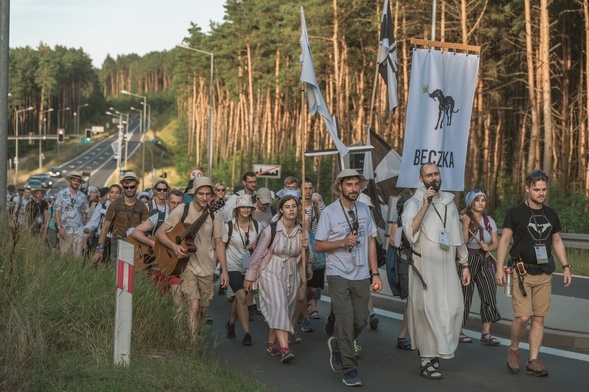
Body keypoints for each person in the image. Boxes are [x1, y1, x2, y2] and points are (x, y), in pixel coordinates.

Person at [496, 170, 572, 377]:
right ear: (528, 188)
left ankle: (533, 360)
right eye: (537, 189)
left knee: (538, 318)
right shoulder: (515, 212)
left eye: (544, 189)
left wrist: (566, 266)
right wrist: (499, 267)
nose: (541, 193)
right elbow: (504, 240)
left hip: (544, 273)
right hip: (521, 273)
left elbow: (556, 241)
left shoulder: (551, 214)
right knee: (522, 317)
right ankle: (513, 349)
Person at [401, 162, 470, 380]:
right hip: (424, 268)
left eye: (437, 174)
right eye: (429, 175)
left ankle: (438, 349)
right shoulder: (413, 203)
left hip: (447, 266)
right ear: (421, 179)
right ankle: (426, 359)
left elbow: (457, 235)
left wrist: (465, 263)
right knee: (426, 312)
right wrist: (425, 206)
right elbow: (410, 233)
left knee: (454, 309)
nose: (434, 178)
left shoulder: (449, 202)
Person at [314, 169, 383, 387]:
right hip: (338, 273)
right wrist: (343, 242)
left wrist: (375, 273)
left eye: (356, 184)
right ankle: (350, 369)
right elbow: (318, 245)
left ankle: (336, 345)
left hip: (361, 272)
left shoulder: (364, 209)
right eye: (349, 185)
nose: (354, 188)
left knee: (360, 320)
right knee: (345, 321)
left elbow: (371, 241)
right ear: (340, 187)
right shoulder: (330, 213)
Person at [155, 177, 229, 337]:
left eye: (207, 194)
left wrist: (224, 270)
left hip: (207, 266)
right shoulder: (182, 210)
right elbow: (160, 233)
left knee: (203, 307)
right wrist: (173, 246)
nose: (204, 197)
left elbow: (220, 243)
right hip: (186, 266)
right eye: (200, 193)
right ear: (194, 194)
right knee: (193, 305)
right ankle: (193, 345)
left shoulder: (215, 215)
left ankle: (197, 332)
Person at [243, 195, 310, 364]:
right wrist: (249, 278)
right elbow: (257, 255)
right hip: (270, 270)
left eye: (294, 206)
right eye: (287, 207)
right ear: (281, 210)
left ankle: (271, 344)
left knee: (284, 308)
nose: (291, 209)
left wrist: (306, 251)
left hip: (291, 272)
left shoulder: (302, 231)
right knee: (279, 305)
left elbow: (304, 256)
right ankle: (285, 348)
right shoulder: (271, 230)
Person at [459, 189, 501, 345]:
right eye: (477, 200)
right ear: (470, 202)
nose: (481, 203)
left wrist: (489, 248)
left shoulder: (489, 220)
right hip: (467, 260)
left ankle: (487, 332)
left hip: (484, 259)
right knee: (465, 295)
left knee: (490, 291)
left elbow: (496, 242)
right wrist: (465, 226)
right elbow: (461, 242)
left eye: (483, 200)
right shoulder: (463, 218)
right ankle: (458, 330)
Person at [130, 189, 184, 297]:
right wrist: (151, 243)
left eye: (179, 203)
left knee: (178, 295)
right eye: (173, 202)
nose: (176, 206)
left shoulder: (186, 220)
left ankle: (179, 315)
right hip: (158, 266)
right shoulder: (159, 218)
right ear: (167, 202)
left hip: (177, 265)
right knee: (156, 297)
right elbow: (135, 232)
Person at [223, 195, 261, 346]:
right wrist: (221, 270)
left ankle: (231, 323)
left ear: (251, 209)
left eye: (248, 207)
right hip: (232, 266)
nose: (245, 210)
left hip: (249, 267)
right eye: (242, 207)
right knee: (242, 297)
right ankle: (247, 333)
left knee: (240, 298)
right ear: (237, 209)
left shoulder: (258, 226)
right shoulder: (229, 226)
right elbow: (221, 248)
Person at [92, 172, 148, 264]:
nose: (129, 189)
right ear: (123, 187)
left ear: (137, 186)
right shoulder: (114, 205)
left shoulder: (142, 206)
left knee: (133, 275)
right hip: (117, 244)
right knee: (117, 274)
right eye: (126, 187)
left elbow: (145, 229)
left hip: (135, 244)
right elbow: (105, 227)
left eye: (132, 187)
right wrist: (99, 250)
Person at [388, 192, 414, 351]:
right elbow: (393, 240)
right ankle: (402, 336)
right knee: (412, 299)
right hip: (405, 262)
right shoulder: (397, 223)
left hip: (422, 263)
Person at [303, 178, 325, 323]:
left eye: (310, 188)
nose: (308, 191)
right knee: (300, 283)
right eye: (305, 188)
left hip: (316, 248)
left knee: (313, 286)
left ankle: (303, 305)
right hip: (299, 247)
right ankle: (301, 310)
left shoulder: (318, 204)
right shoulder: (295, 206)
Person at [54, 172, 89, 257]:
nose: (76, 183)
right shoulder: (61, 194)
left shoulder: (83, 196)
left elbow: (84, 213)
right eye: (74, 180)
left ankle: (77, 270)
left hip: (78, 230)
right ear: (70, 181)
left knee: (77, 257)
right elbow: (57, 211)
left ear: (80, 183)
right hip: (65, 229)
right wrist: (59, 228)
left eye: (78, 181)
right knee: (65, 255)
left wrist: (84, 231)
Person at [83, 184, 122, 261]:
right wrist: (87, 228)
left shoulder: (123, 207)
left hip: (116, 240)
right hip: (102, 239)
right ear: (109, 194)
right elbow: (94, 221)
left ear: (120, 194)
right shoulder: (102, 206)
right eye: (112, 192)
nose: (114, 195)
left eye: (117, 193)